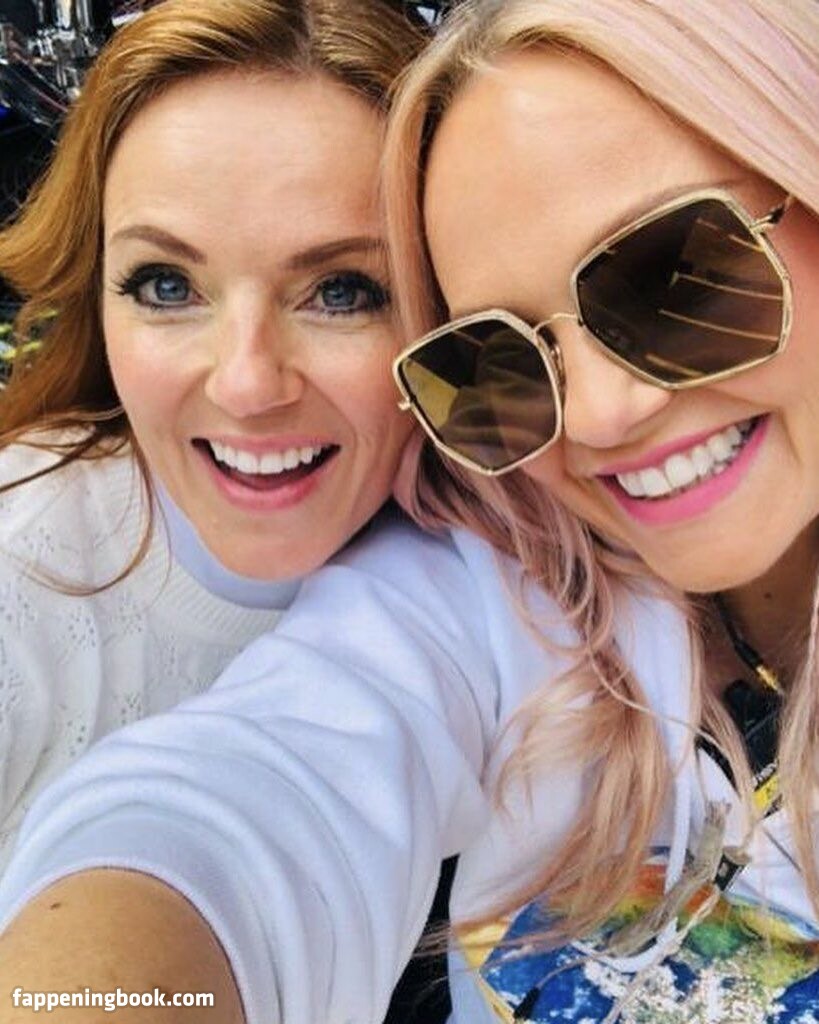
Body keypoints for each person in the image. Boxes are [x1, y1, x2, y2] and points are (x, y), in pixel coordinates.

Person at [1, 1, 817, 1023]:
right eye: (501, 354)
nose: (599, 414)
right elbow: (236, 802)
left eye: (673, 277)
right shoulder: (495, 585)